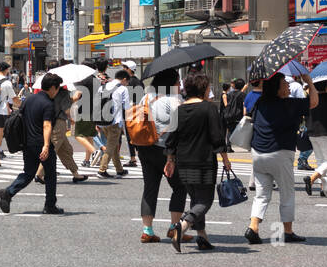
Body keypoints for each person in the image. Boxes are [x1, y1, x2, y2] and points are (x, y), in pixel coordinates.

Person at [245, 72, 319, 244]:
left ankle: (253, 227)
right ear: (277, 89)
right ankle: (287, 231)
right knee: (286, 192)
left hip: (258, 152)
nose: (288, 85)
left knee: (262, 193)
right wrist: (309, 82)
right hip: (280, 153)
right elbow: (314, 102)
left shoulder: (260, 102)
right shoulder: (290, 104)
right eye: (284, 83)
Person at [163, 72, 231, 252]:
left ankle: (202, 237)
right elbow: (217, 137)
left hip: (183, 161)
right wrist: (225, 159)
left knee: (195, 198)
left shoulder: (180, 110)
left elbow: (172, 138)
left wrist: (170, 160)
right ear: (203, 88)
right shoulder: (208, 108)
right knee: (205, 201)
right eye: (208, 87)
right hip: (204, 160)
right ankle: (183, 225)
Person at [0, 73, 64, 215]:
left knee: (28, 173)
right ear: (52, 88)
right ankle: (50, 205)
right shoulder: (48, 104)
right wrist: (46, 145)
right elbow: (47, 126)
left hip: (27, 143)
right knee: (51, 174)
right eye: (57, 89)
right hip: (41, 144)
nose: (57, 92)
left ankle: (8, 192)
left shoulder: (29, 99)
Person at [135, 69, 183, 244]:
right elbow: (180, 126)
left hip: (145, 147)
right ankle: (174, 228)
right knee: (179, 186)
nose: (179, 85)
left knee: (150, 187)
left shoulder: (146, 97)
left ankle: (147, 230)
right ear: (171, 83)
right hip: (166, 149)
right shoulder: (174, 100)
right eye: (178, 81)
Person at [303, 79, 327, 200]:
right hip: (325, 132)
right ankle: (312, 179)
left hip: (312, 132)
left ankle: (324, 188)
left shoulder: (310, 99)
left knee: (321, 161)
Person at [96, 70, 132, 178]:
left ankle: (119, 170)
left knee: (114, 145)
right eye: (127, 82)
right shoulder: (122, 89)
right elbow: (126, 107)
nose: (127, 84)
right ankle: (102, 170)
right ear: (124, 79)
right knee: (111, 146)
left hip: (102, 121)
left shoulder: (102, 87)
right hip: (115, 121)